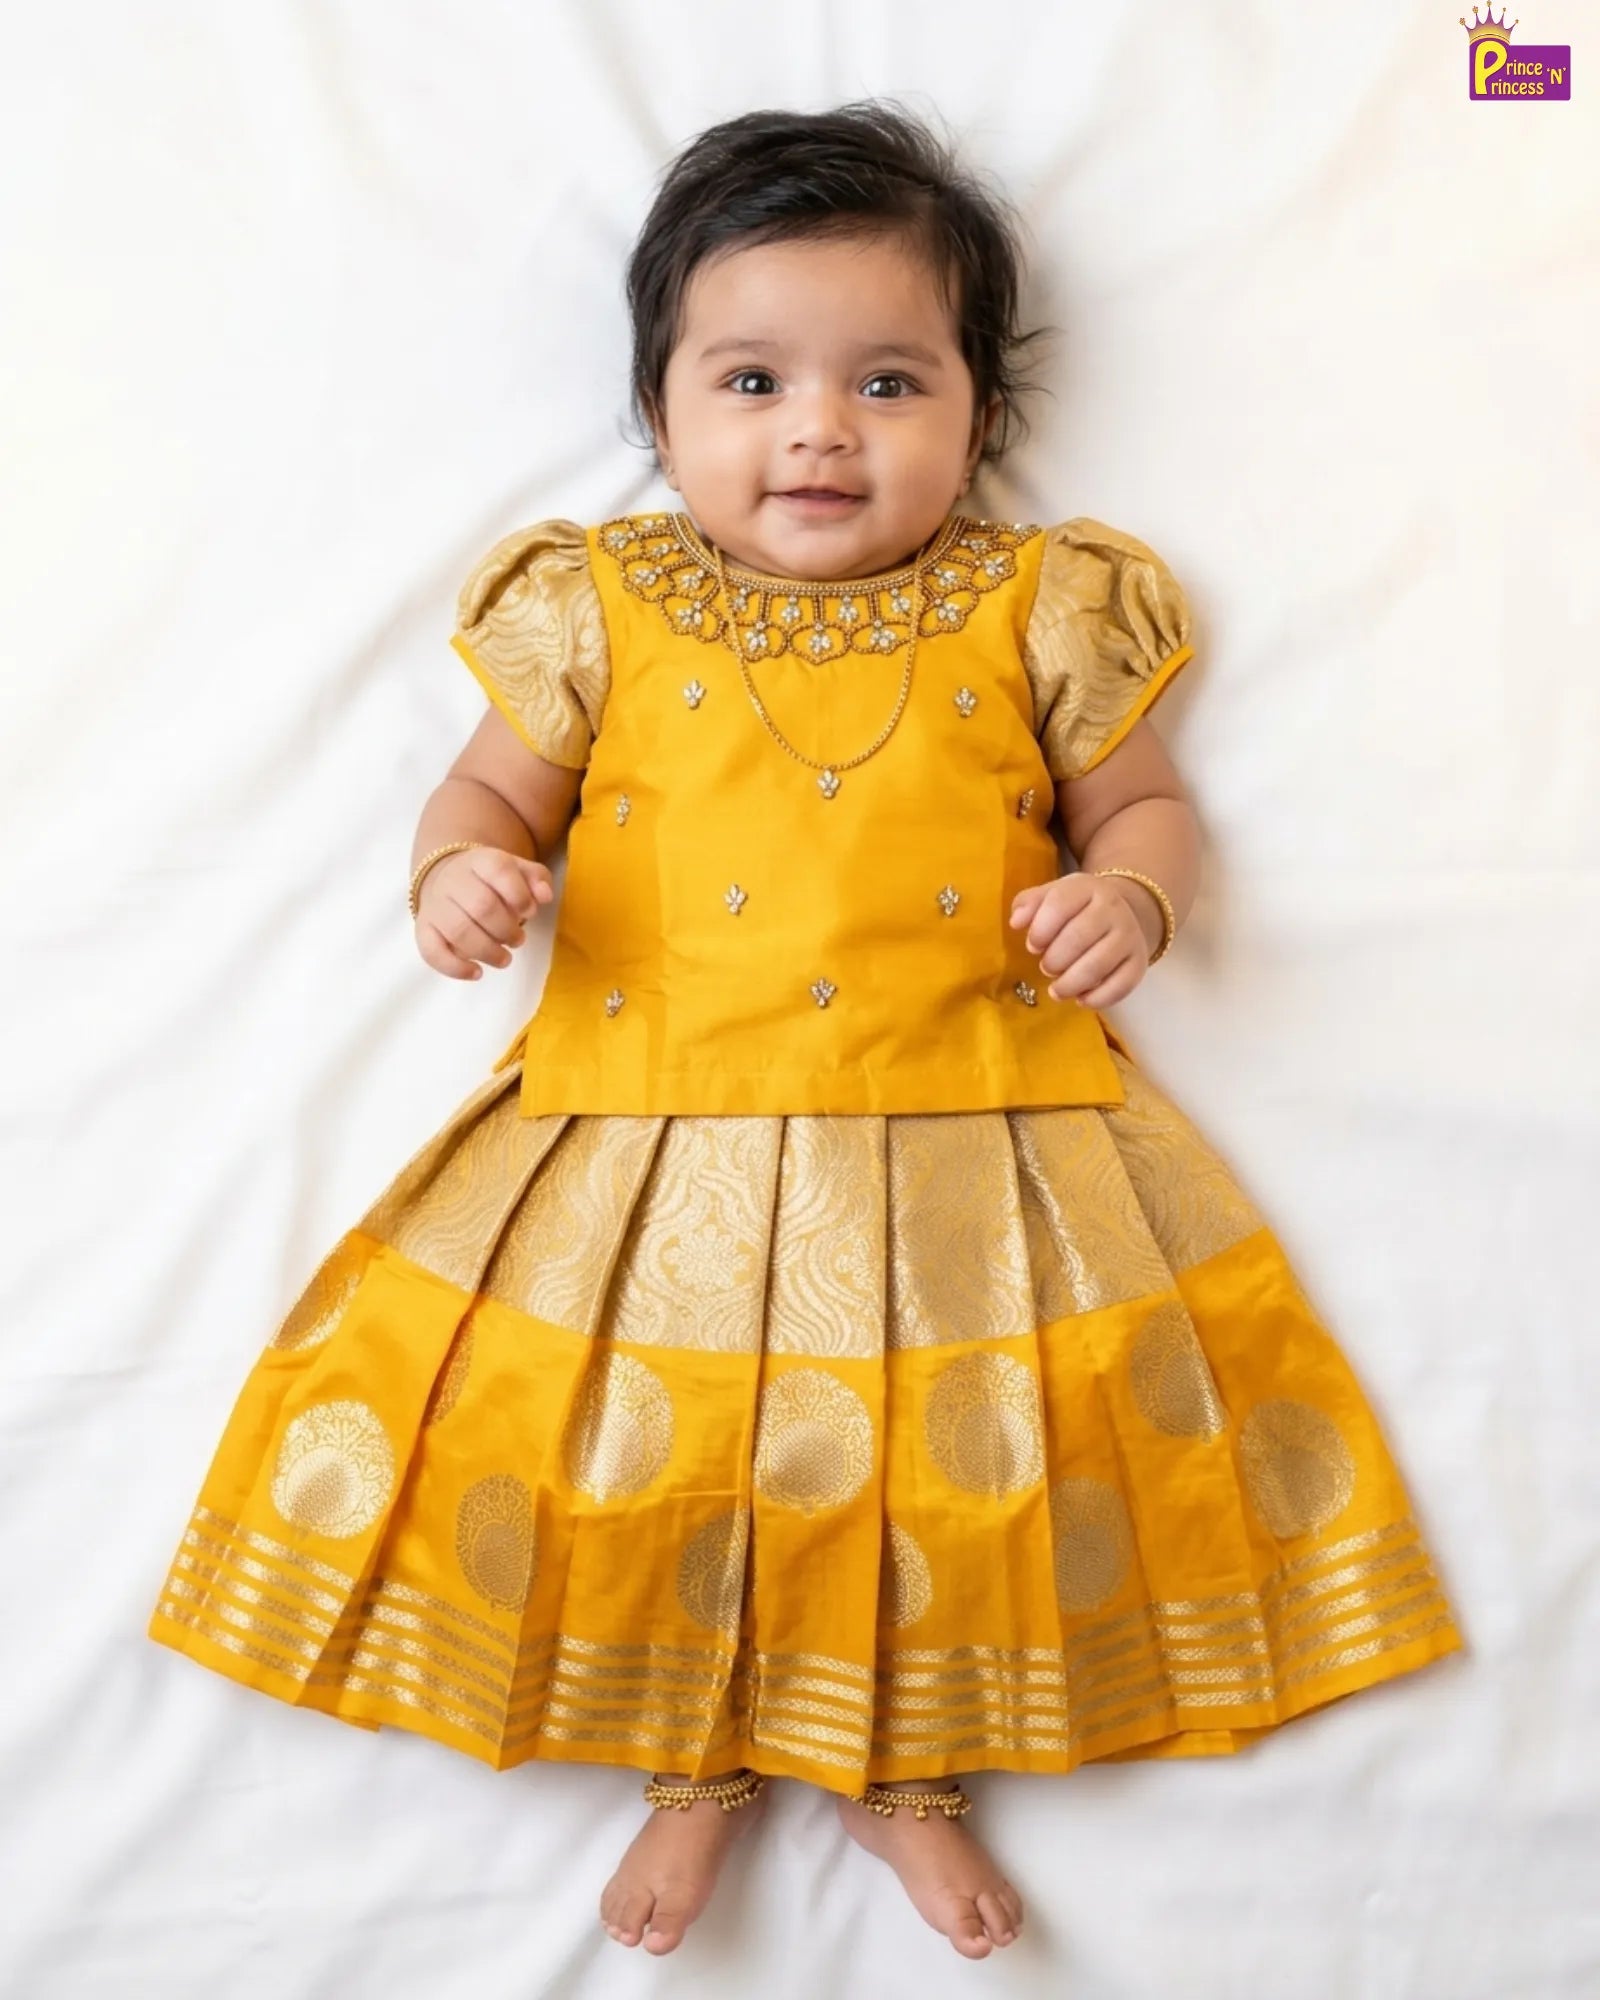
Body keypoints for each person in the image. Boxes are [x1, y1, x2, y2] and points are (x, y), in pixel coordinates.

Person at [147, 100, 1466, 1963]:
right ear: (663, 412)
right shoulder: (597, 607)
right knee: (671, 1460)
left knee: (957, 1472)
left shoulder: (1037, 604)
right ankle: (700, 1767)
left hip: (976, 1134)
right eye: (752, 378)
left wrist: (1137, 895)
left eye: (891, 381)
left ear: (980, 420)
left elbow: (1145, 810)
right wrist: (460, 878)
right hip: (652, 1131)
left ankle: (902, 1780)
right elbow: (484, 802)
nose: (819, 430)